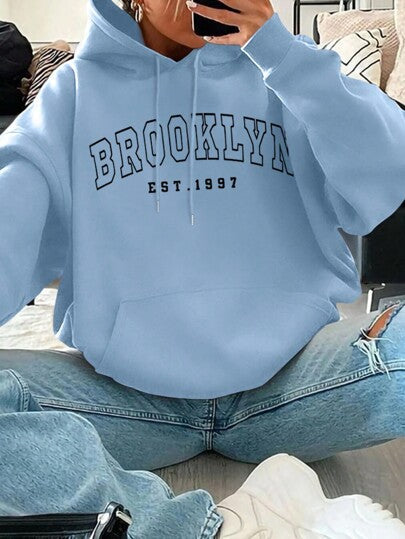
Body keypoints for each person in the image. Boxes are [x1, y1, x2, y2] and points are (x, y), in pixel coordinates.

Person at [0, 0, 404, 537]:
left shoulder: (289, 69)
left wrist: (279, 54)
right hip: (127, 405)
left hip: (296, 386)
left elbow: (390, 173)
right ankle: (210, 528)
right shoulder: (72, 96)